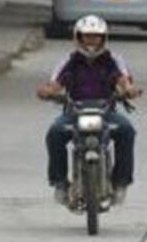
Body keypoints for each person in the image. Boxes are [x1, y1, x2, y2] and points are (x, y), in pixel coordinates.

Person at [37, 15, 141, 206]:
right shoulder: (69, 61)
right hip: (74, 113)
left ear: (103, 38)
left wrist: (129, 90)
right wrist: (47, 92)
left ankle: (120, 182)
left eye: (96, 36)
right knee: (55, 132)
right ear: (78, 38)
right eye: (87, 36)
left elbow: (124, 81)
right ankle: (60, 183)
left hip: (106, 112)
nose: (91, 41)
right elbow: (56, 84)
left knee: (126, 131)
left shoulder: (112, 60)